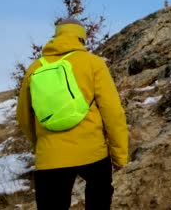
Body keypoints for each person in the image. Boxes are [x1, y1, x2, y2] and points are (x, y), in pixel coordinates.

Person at [16, 18, 128, 210]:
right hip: (93, 153)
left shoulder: (35, 68)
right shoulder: (93, 63)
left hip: (50, 157)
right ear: (81, 38)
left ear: (57, 35)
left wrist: (41, 146)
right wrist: (120, 156)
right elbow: (112, 112)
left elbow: (24, 117)